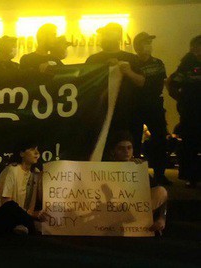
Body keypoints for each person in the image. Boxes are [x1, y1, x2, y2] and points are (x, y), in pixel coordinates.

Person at [86, 23, 145, 157]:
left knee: (127, 148)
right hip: (100, 114)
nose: (103, 37)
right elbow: (86, 86)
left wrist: (128, 72)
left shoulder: (131, 59)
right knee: (101, 149)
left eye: (107, 33)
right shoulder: (93, 59)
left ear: (118, 36)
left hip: (128, 113)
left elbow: (141, 82)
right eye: (103, 34)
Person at [108, 131, 167, 234]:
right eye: (121, 148)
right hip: (113, 210)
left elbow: (162, 197)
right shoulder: (103, 169)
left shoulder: (138, 167)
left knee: (161, 191)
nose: (126, 151)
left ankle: (142, 224)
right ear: (113, 151)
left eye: (129, 148)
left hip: (134, 210)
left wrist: (162, 218)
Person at [131, 32, 170, 185]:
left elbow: (156, 84)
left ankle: (159, 174)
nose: (149, 46)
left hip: (154, 106)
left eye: (150, 43)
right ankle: (134, 175)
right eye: (145, 42)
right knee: (134, 140)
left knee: (160, 138)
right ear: (137, 46)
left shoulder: (157, 63)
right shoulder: (131, 62)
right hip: (135, 106)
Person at [0, 142, 49, 235]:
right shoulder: (12, 170)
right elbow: (6, 203)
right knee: (11, 206)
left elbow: (41, 197)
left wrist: (44, 179)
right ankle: (27, 225)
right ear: (22, 153)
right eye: (32, 149)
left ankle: (25, 226)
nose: (37, 153)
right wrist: (31, 214)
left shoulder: (35, 173)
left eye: (37, 150)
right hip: (7, 214)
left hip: (26, 215)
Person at [166, 35, 201, 188]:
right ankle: (191, 177)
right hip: (190, 111)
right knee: (190, 144)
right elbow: (172, 83)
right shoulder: (187, 64)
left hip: (191, 110)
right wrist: (181, 99)